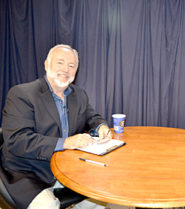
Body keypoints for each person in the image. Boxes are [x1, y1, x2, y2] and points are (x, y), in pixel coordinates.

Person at [0, 44, 112, 209]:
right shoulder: (21, 94)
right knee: (49, 205)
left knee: (100, 192)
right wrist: (66, 143)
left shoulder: (79, 95)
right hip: (28, 171)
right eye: (60, 62)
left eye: (71, 65)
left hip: (67, 168)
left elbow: (92, 117)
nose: (66, 69)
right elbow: (17, 140)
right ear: (46, 64)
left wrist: (101, 127)